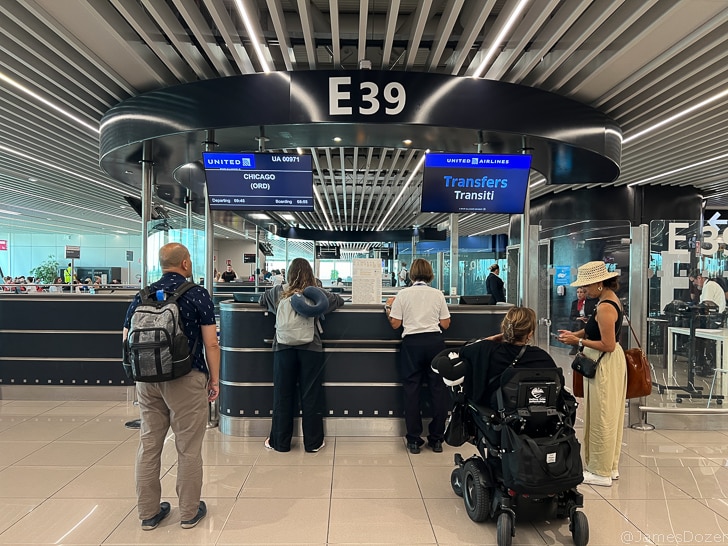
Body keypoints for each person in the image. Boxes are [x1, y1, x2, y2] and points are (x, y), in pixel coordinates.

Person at [122, 242, 220, 530]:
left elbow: (126, 339)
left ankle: (148, 513)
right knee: (188, 447)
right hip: (186, 379)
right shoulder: (197, 295)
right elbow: (211, 343)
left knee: (149, 445)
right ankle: (189, 512)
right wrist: (214, 379)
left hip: (147, 380)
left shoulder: (141, 295)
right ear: (186, 264)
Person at [258, 257, 344, 452]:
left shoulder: (277, 292)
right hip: (310, 347)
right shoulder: (317, 294)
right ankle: (313, 443)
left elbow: (261, 300)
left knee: (282, 394)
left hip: (283, 348)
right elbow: (339, 301)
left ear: (288, 273)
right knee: (310, 394)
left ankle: (279, 442)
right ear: (311, 274)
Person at [558, 261, 626, 487]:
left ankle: (600, 471)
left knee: (601, 416)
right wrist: (575, 334)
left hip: (604, 364)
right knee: (607, 415)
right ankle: (609, 466)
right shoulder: (605, 302)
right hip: (607, 363)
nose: (584, 291)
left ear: (599, 282)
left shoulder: (606, 307)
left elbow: (607, 344)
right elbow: (592, 329)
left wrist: (577, 340)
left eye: (586, 286)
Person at [386, 258, 451, 454]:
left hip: (412, 344)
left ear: (412, 274)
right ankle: (437, 439)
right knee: (439, 390)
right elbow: (446, 324)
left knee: (411, 390)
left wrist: (389, 308)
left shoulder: (403, 294)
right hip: (434, 344)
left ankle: (414, 440)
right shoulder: (437, 294)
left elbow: (395, 324)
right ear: (430, 274)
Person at [456, 307, 558, 409]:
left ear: (504, 328)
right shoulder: (542, 357)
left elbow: (463, 351)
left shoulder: (487, 350)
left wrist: (488, 340)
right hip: (537, 420)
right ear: (530, 334)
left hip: (497, 415)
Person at [689, 270, 727, 376]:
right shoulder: (710, 285)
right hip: (714, 318)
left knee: (699, 339)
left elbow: (707, 305)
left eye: (694, 281)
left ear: (699, 278)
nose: (694, 284)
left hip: (714, 319)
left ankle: (704, 363)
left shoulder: (709, 286)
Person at [568, 287, 598, 354]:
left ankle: (582, 345)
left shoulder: (590, 302)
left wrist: (586, 318)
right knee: (577, 323)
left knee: (582, 324)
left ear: (585, 293)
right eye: (577, 292)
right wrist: (578, 318)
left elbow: (593, 314)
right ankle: (575, 346)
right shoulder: (575, 303)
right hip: (578, 321)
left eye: (581, 292)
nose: (579, 294)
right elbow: (572, 316)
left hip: (587, 320)